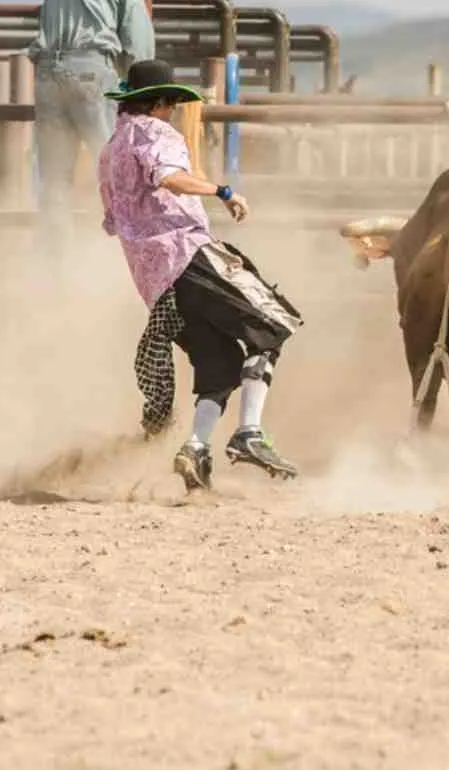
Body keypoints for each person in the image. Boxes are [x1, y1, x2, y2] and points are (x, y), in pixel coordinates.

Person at [97, 60, 302, 492]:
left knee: (220, 361)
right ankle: (248, 433)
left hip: (154, 282)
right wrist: (221, 191)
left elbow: (113, 220)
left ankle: (196, 448)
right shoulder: (157, 134)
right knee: (274, 323)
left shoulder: (111, 150)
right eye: (170, 104)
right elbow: (169, 177)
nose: (171, 112)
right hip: (188, 256)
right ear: (159, 104)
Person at [29, 0, 158, 250]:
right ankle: (126, 255)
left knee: (55, 179)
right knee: (118, 170)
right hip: (92, 72)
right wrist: (147, 87)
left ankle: (57, 265)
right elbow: (136, 37)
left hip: (47, 74)